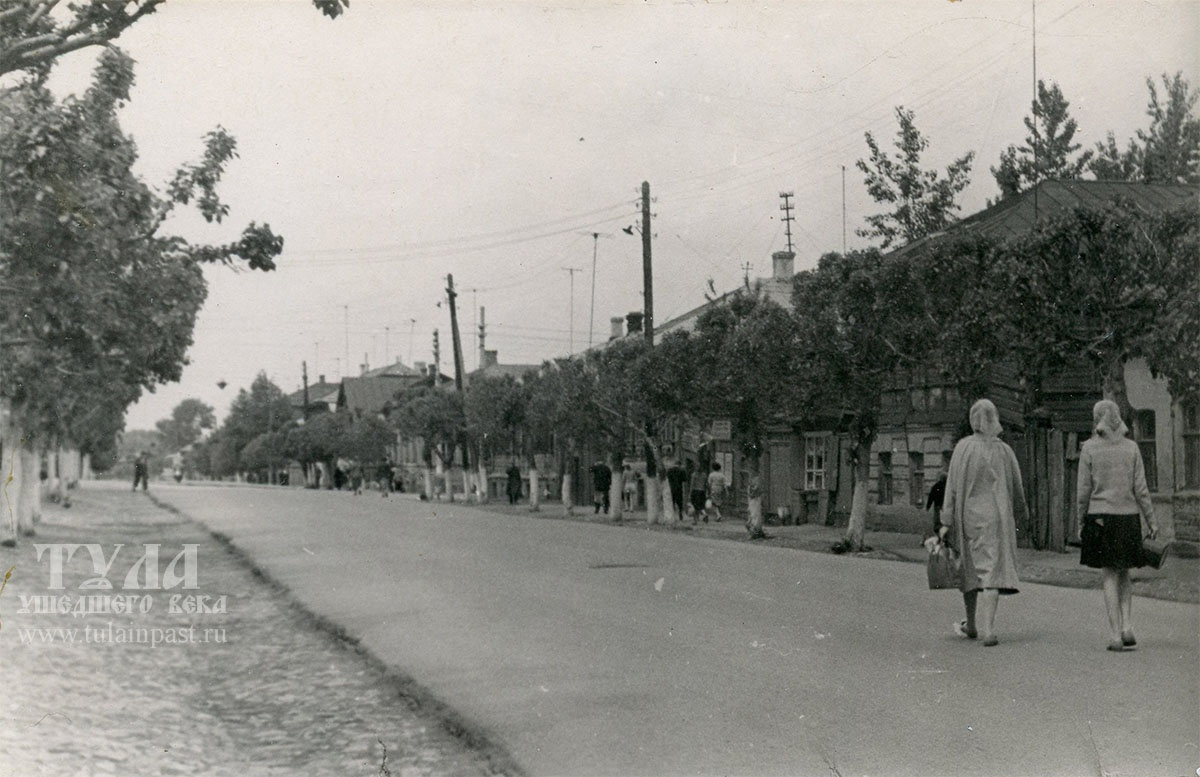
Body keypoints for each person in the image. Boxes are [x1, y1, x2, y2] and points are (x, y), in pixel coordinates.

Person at [939, 399, 1027, 647]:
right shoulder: (1003, 451)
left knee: (969, 568)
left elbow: (952, 487)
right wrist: (1022, 512)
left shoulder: (963, 448)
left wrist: (946, 518)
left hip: (968, 517)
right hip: (996, 519)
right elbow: (1017, 487)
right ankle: (989, 630)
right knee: (991, 570)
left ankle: (972, 624)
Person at [1076, 399, 1157, 652]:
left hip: (1100, 516)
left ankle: (1114, 635)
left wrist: (1081, 520)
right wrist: (1151, 520)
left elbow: (1083, 492)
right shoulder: (1132, 448)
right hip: (1128, 516)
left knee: (1109, 574)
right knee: (1124, 572)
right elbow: (1141, 489)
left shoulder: (1089, 449)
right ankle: (1127, 626)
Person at [665, 456, 688, 522]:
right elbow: (685, 479)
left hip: (671, 488)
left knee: (672, 502)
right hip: (679, 488)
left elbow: (667, 478)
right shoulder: (681, 470)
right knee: (679, 502)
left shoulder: (670, 470)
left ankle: (672, 515)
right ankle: (680, 513)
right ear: (679, 464)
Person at [926, 471, 947, 536]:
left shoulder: (936, 486)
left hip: (937, 506)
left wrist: (928, 506)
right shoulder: (947, 486)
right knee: (944, 520)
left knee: (937, 520)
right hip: (945, 506)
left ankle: (938, 533)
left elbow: (931, 496)